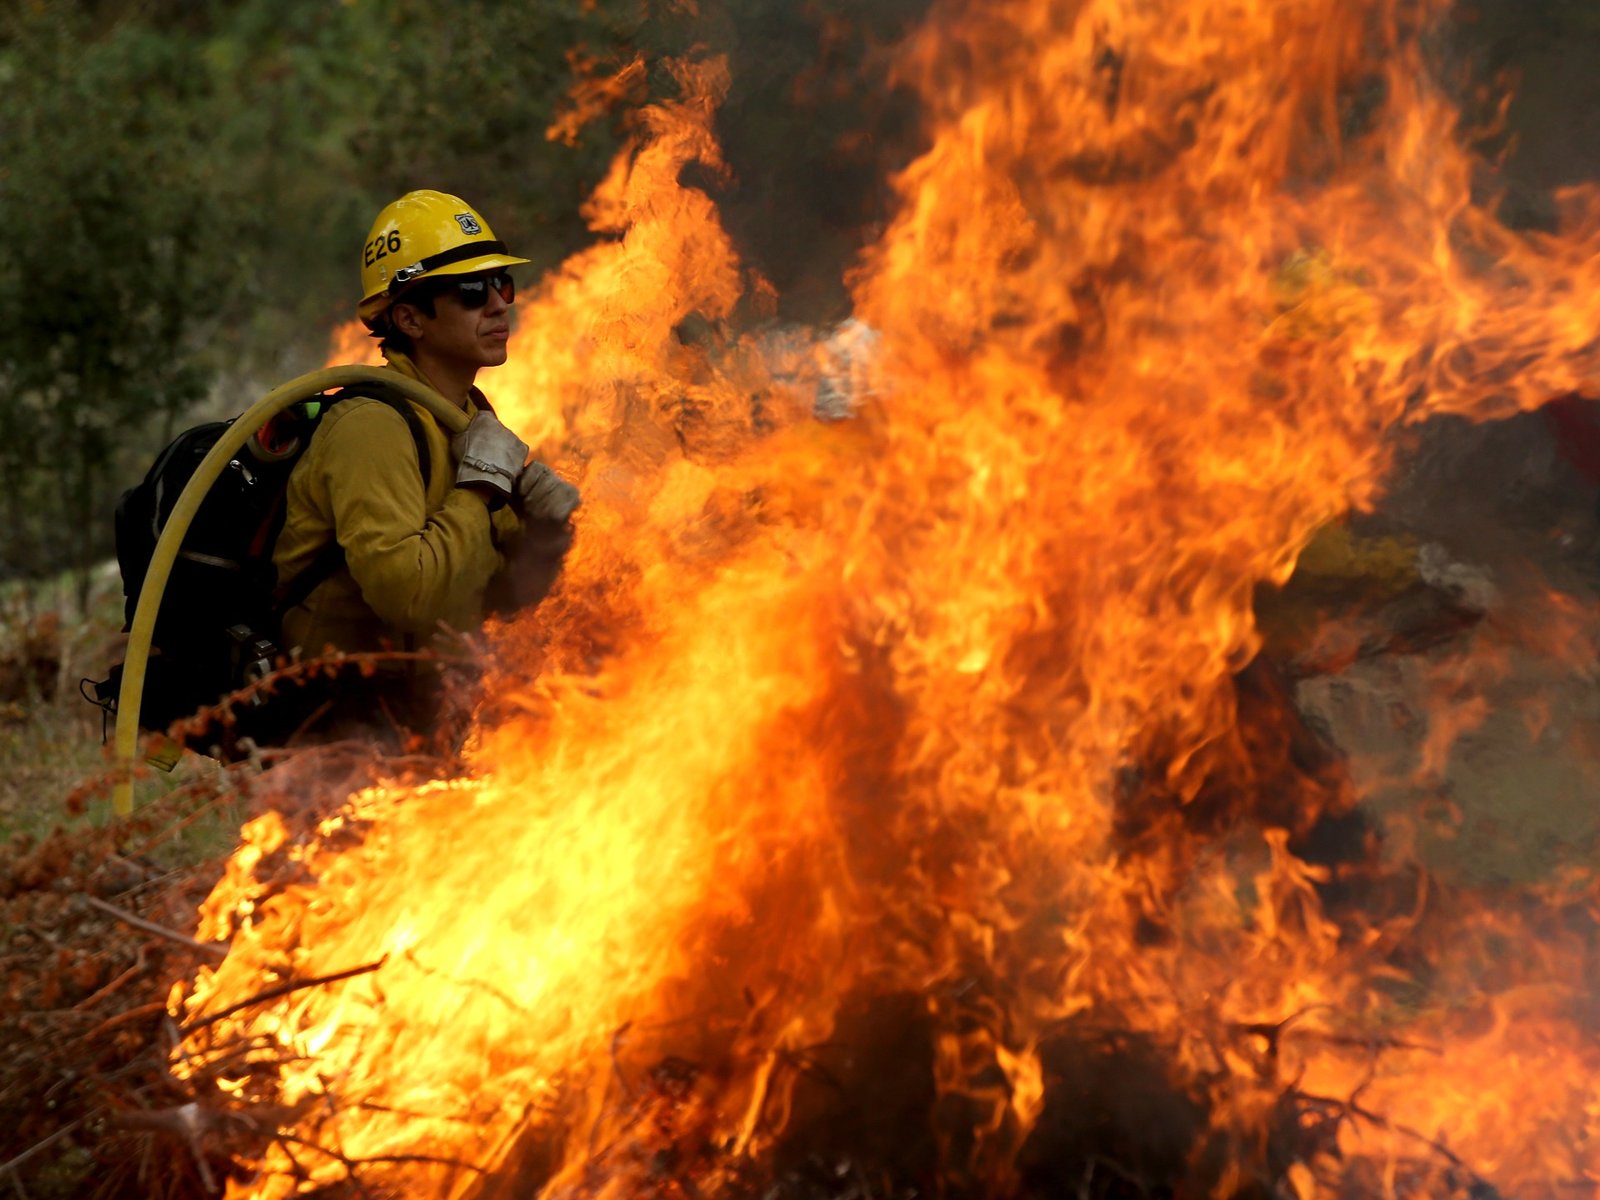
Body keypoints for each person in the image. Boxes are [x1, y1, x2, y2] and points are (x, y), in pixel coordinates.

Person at [270, 188, 578, 744]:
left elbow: (496, 598)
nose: (498, 304)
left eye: (500, 284)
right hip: (336, 728)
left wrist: (546, 535)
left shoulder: (463, 419)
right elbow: (410, 596)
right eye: (469, 291)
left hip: (423, 711)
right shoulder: (371, 426)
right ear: (409, 317)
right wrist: (480, 489)